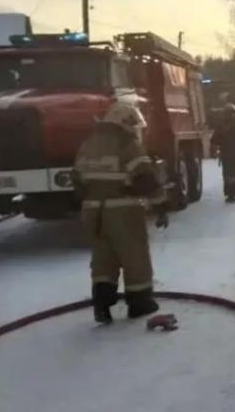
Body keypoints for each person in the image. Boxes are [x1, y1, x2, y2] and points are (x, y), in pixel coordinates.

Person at [72, 101, 169, 324]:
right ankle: (139, 303)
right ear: (125, 123)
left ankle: (102, 306)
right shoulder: (127, 144)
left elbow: (77, 179)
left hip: (92, 211)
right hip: (122, 210)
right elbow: (145, 179)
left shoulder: (88, 143)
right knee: (134, 256)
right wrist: (161, 205)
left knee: (103, 259)